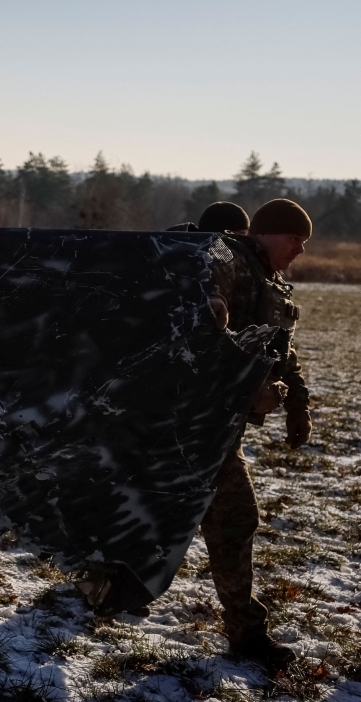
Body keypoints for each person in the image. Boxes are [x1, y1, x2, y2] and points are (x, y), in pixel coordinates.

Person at [202, 198, 312, 670]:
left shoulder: (273, 285)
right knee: (235, 519)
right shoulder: (227, 265)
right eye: (295, 239)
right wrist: (253, 393)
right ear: (266, 233)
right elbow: (202, 339)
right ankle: (246, 635)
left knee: (186, 513)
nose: (300, 250)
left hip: (221, 427)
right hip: (195, 425)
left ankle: (104, 583)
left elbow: (283, 354)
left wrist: (297, 407)